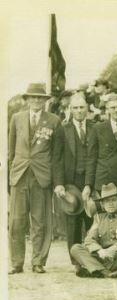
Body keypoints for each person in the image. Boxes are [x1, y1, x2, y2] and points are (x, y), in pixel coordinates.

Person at [8, 83, 65, 274]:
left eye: (40, 98)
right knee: (16, 221)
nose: (36, 101)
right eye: (32, 97)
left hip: (42, 176)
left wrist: (58, 182)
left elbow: (57, 156)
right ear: (27, 99)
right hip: (20, 175)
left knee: (40, 221)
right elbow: (11, 151)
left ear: (45, 100)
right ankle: (16, 262)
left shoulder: (54, 121)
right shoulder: (16, 118)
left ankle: (38, 261)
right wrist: (11, 177)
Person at [70, 182, 117, 278]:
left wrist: (114, 248)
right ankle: (108, 273)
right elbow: (89, 239)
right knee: (76, 248)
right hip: (103, 256)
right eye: (106, 201)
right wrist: (99, 250)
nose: (110, 204)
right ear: (102, 204)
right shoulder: (99, 217)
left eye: (113, 200)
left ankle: (95, 269)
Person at [61, 93, 95, 268]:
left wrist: (90, 184)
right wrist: (59, 184)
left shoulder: (95, 128)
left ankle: (90, 259)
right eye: (75, 108)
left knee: (91, 219)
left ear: (87, 109)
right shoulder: (63, 129)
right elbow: (57, 159)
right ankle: (75, 261)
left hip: (91, 180)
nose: (79, 111)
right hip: (70, 182)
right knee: (73, 222)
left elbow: (96, 157)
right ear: (70, 110)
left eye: (81, 107)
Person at [84, 93, 117, 210]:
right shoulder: (98, 128)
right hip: (103, 182)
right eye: (113, 108)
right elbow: (91, 158)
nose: (116, 110)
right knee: (104, 220)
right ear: (107, 109)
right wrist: (88, 184)